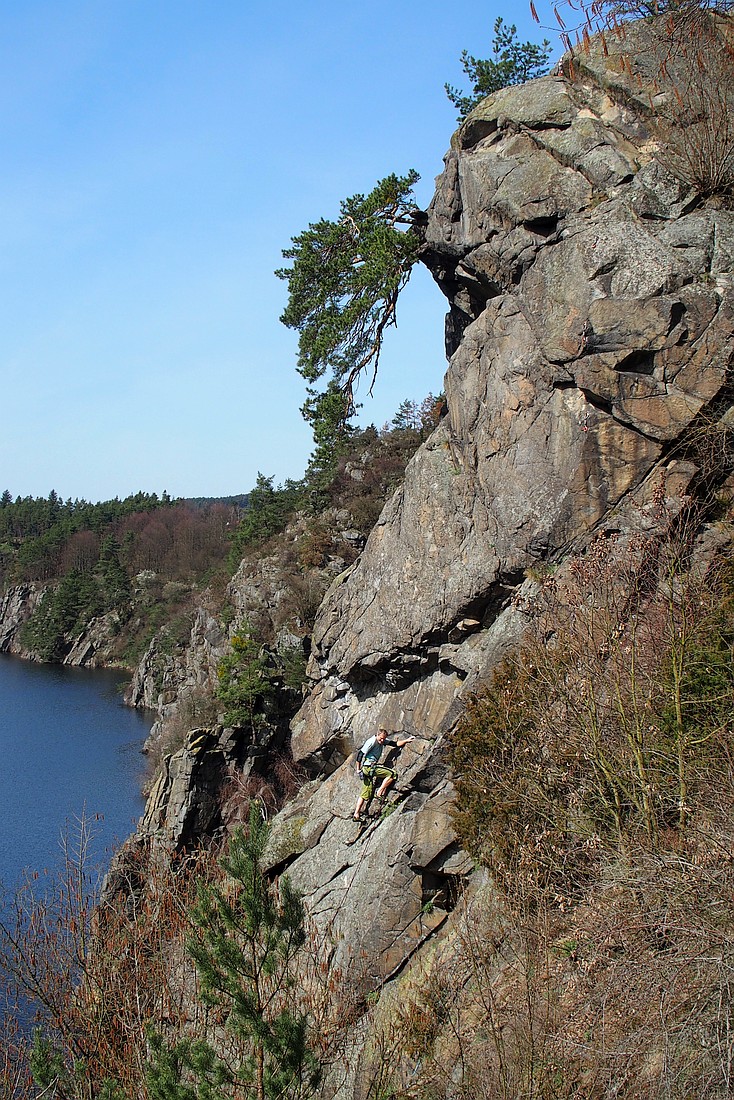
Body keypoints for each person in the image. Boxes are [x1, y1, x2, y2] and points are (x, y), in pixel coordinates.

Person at [353, 727, 415, 821]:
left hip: (368, 769)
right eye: (380, 738)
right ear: (377, 735)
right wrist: (358, 769)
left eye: (383, 738)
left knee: (365, 794)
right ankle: (379, 792)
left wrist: (406, 740)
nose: (382, 741)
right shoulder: (371, 742)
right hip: (369, 767)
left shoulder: (383, 741)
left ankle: (356, 814)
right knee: (392, 774)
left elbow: (395, 744)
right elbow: (360, 755)